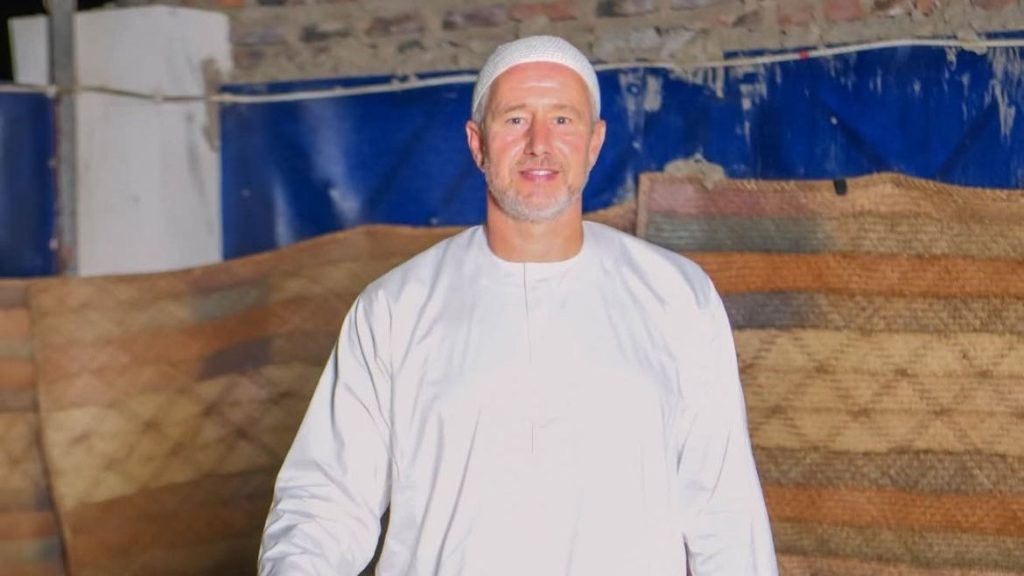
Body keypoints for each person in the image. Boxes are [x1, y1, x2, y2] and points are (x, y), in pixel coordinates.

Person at [259, 35, 777, 575]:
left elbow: (726, 514)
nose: (538, 144)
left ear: (595, 142)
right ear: (477, 143)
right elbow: (326, 503)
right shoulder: (394, 309)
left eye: (562, 119)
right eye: (514, 120)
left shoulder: (676, 297)